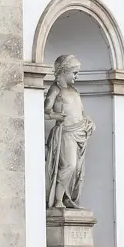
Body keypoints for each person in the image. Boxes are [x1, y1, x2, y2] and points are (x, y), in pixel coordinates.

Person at [44, 53, 95, 210]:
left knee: (78, 170)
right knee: (69, 166)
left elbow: (82, 112)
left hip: (80, 133)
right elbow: (45, 110)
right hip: (66, 133)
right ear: (64, 72)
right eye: (74, 73)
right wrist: (56, 115)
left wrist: (90, 121)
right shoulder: (55, 89)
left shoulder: (74, 91)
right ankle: (57, 200)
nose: (77, 76)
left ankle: (69, 199)